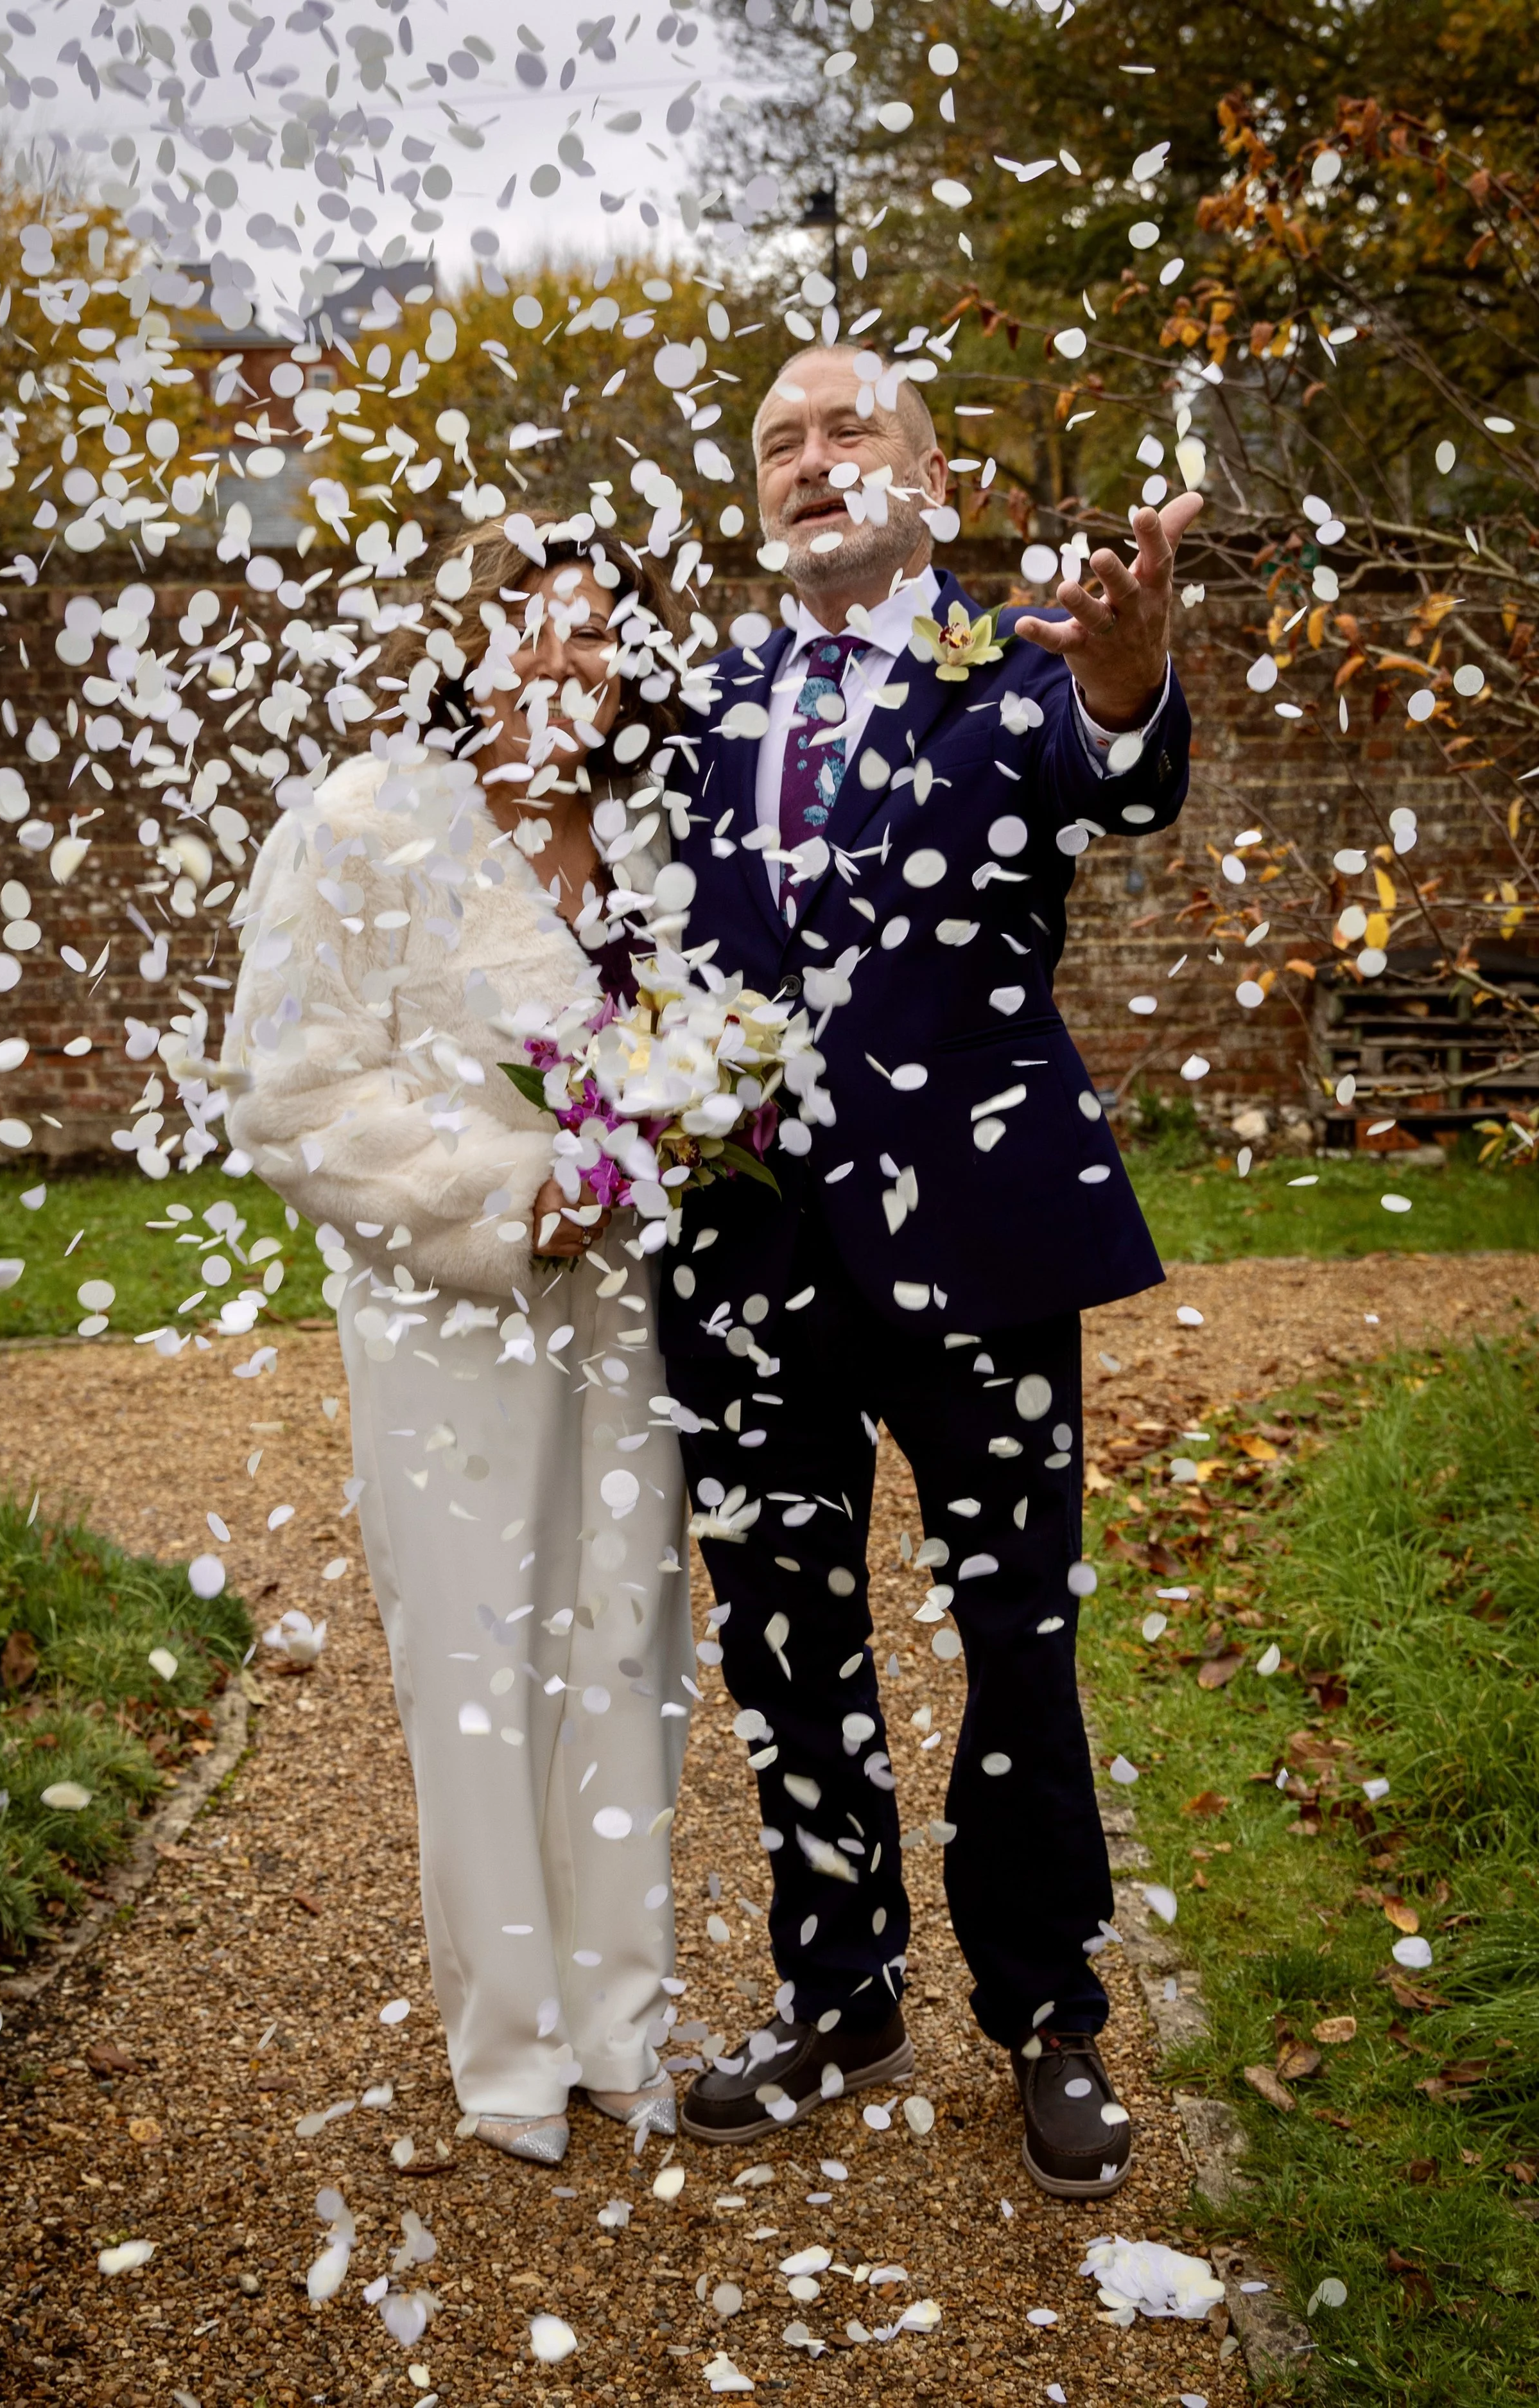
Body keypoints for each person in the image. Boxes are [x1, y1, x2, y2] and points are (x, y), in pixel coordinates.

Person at [657, 346, 1201, 2199]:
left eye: (847, 432)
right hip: (742, 1253)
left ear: (930, 471)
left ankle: (1048, 2010)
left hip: (977, 1241)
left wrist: (1127, 675)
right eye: (777, 444)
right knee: (783, 1638)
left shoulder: (1020, 664)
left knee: (1015, 1630)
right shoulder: (707, 700)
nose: (812, 464)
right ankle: (840, 1991)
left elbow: (1118, 773)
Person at [224, 518, 697, 2165]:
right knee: (481, 1666)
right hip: (448, 1308)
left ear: (638, 671)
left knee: (624, 1639)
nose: (559, 663)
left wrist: (682, 1130)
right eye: (531, 628)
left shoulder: (661, 838)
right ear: (469, 644)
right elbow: (289, 1093)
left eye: (596, 635)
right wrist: (516, 1191)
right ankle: (510, 2052)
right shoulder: (367, 822)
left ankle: (624, 2018)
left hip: (628, 1306)